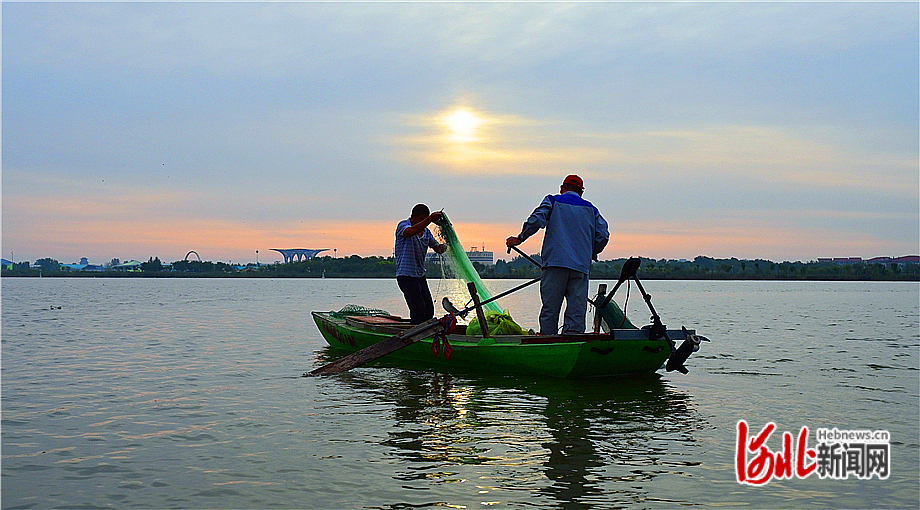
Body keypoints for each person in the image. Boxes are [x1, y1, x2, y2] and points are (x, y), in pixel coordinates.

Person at [506, 175, 609, 335]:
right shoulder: (592, 210)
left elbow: (536, 220)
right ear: (581, 192)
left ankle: (548, 341)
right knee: (576, 312)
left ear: (562, 188)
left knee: (550, 309)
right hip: (580, 268)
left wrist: (520, 238)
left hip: (555, 265)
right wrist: (593, 251)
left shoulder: (553, 201)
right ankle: (572, 342)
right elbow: (603, 235)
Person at [395, 204, 448, 324]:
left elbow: (437, 248)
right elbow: (410, 232)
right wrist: (429, 219)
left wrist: (446, 244)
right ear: (414, 217)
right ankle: (415, 334)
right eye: (422, 220)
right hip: (406, 276)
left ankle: (426, 334)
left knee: (429, 309)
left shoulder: (426, 232)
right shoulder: (403, 225)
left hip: (419, 275)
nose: (424, 223)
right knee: (418, 308)